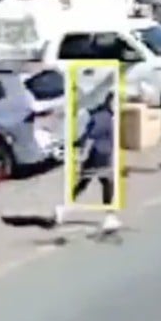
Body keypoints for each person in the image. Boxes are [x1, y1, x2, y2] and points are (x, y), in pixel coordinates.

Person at [54, 89, 121, 232]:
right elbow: (90, 137)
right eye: (114, 102)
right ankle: (109, 217)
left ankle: (63, 209)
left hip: (99, 155)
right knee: (107, 184)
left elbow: (86, 136)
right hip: (99, 156)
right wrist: (80, 151)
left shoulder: (103, 116)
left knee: (85, 183)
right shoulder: (103, 117)